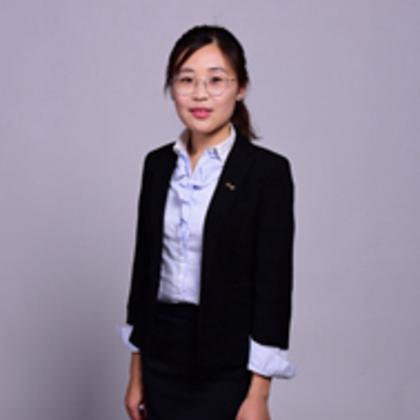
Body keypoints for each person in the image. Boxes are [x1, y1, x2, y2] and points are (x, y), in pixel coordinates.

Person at [121, 24, 296, 420]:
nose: (200, 94)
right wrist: (136, 373)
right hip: (161, 354)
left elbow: (273, 288)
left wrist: (259, 394)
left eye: (216, 80)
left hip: (227, 362)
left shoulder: (266, 172)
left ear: (241, 88)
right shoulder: (157, 165)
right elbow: (143, 272)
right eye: (186, 80)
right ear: (172, 88)